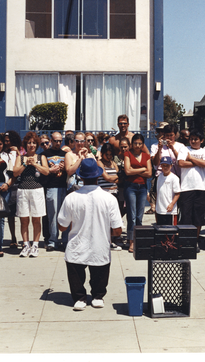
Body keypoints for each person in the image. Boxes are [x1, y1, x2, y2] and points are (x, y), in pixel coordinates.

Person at [57, 158, 122, 311]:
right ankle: (98, 296)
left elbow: (61, 226)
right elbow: (118, 230)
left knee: (75, 266)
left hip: (77, 246)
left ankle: (79, 297)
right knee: (100, 268)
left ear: (81, 177)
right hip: (100, 246)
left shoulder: (71, 198)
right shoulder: (109, 199)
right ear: (98, 176)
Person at [13, 131, 49, 257]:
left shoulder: (41, 157)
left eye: (34, 143)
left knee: (36, 219)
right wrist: (25, 164)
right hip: (23, 190)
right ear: (25, 145)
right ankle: (26, 244)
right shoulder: (20, 157)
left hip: (36, 190)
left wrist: (34, 164)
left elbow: (46, 171)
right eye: (29, 143)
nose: (31, 145)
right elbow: (15, 172)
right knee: (24, 219)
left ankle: (35, 245)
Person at [177, 129, 205, 252]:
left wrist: (191, 158)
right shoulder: (184, 149)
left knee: (198, 218)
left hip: (201, 188)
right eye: (191, 139)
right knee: (186, 217)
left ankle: (194, 242)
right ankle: (186, 242)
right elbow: (181, 163)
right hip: (186, 188)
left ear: (201, 140)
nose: (193, 141)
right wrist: (198, 163)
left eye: (196, 139)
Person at [124, 133, 152, 253]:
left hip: (142, 187)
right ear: (132, 144)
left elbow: (150, 173)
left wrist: (135, 171)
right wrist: (142, 169)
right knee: (132, 215)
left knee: (140, 216)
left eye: (140, 143)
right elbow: (127, 171)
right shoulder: (127, 154)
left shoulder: (146, 156)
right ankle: (131, 242)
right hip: (131, 187)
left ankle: (139, 241)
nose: (137, 145)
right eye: (135, 143)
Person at [148, 123, 185, 215]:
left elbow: (181, 161)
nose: (169, 138)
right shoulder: (155, 146)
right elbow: (155, 162)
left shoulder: (181, 146)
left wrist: (172, 148)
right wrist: (160, 148)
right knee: (159, 202)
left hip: (176, 176)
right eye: (166, 135)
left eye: (171, 135)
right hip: (160, 176)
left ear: (175, 135)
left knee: (177, 200)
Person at [42, 131, 69, 252]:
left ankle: (66, 240)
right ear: (51, 141)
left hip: (64, 186)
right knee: (52, 215)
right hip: (51, 187)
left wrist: (65, 168)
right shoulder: (45, 154)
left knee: (66, 215)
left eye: (60, 141)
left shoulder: (66, 154)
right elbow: (42, 171)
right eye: (55, 141)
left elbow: (70, 169)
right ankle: (53, 241)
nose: (58, 143)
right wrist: (50, 169)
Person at [97, 143, 121, 251]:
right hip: (104, 193)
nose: (109, 157)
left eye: (111, 154)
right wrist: (116, 177)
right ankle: (104, 241)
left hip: (114, 193)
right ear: (102, 154)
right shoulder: (99, 163)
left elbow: (120, 178)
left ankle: (111, 241)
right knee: (104, 219)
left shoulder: (113, 163)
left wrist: (115, 178)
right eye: (107, 154)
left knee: (112, 219)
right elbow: (106, 177)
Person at [4, 130, 23, 249]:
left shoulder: (20, 150)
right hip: (8, 183)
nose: (6, 143)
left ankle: (23, 238)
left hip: (19, 183)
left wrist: (17, 153)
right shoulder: (3, 152)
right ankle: (13, 237)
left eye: (8, 141)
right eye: (5, 141)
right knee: (10, 213)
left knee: (21, 212)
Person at [155, 156, 181, 225]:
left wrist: (172, 204)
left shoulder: (174, 178)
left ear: (171, 166)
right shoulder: (159, 177)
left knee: (171, 232)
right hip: (160, 210)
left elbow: (177, 193)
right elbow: (158, 192)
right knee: (160, 232)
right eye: (163, 165)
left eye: (167, 165)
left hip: (170, 211)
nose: (165, 167)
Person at [113, 136, 130, 219]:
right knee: (120, 206)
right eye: (122, 147)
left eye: (125, 147)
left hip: (130, 185)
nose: (123, 149)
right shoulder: (115, 158)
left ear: (129, 146)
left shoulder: (132, 157)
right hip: (120, 186)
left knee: (130, 207)